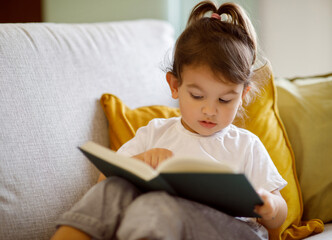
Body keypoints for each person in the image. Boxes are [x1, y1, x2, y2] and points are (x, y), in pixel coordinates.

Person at [51, 1, 288, 240]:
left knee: (156, 206)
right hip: (159, 224)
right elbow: (103, 182)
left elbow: (280, 213)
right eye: (197, 96)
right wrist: (143, 160)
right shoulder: (154, 133)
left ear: (243, 96)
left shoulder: (246, 145)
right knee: (117, 189)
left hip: (234, 232)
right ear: (175, 86)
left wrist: (271, 206)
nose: (210, 110)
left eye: (225, 100)